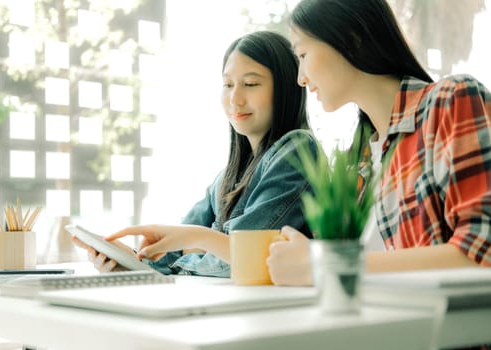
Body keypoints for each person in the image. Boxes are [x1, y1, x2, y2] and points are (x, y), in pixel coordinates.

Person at [267, 0, 491, 287]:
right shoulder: (356, 161)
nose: (300, 78)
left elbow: (481, 251)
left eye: (303, 53)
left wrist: (326, 263)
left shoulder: (450, 101)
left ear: (352, 40)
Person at [73, 30, 319, 276]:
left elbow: (244, 258)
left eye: (250, 84)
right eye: (228, 84)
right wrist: (131, 262)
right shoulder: (225, 179)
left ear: (287, 87)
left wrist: (196, 244)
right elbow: (172, 251)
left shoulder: (297, 149)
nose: (235, 98)